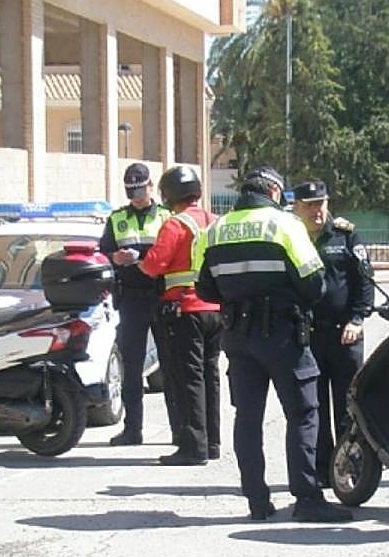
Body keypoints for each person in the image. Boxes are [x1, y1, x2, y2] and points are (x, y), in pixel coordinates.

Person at [196, 165, 353, 523]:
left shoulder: (217, 229)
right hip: (284, 336)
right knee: (303, 413)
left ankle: (256, 500)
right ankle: (308, 498)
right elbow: (315, 284)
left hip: (237, 337)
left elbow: (204, 287)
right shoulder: (285, 225)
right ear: (275, 193)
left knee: (247, 419)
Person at [290, 180, 374, 485]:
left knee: (349, 405)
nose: (316, 210)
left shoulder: (345, 235)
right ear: (296, 207)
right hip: (308, 335)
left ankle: (351, 463)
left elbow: (364, 282)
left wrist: (357, 319)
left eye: (320, 203)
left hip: (344, 334)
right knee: (314, 405)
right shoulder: (292, 237)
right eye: (310, 204)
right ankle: (323, 468)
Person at [138, 165, 222, 466]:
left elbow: (154, 265)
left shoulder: (175, 225)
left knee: (189, 379)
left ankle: (193, 447)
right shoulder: (214, 222)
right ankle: (212, 442)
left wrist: (138, 262)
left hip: (185, 310)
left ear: (169, 194)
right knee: (210, 377)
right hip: (215, 311)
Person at [98, 163, 176, 446]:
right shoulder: (117, 218)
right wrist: (113, 257)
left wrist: (145, 257)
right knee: (132, 366)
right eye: (131, 191)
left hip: (161, 294)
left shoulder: (167, 216)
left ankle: (178, 429)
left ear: (151, 185)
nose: (136, 195)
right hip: (130, 297)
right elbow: (103, 250)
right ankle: (133, 429)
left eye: (140, 189)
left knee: (170, 365)